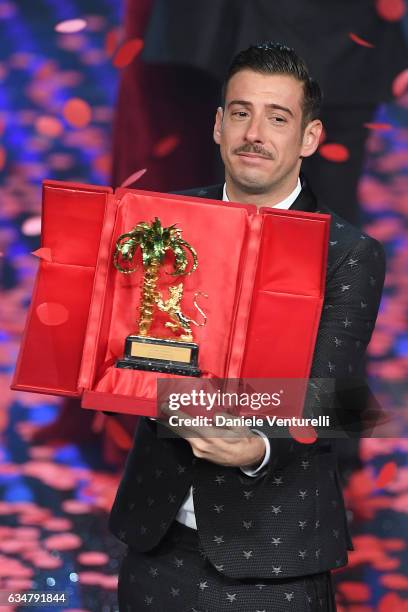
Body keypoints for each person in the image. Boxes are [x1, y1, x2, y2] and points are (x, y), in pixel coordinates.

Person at [110, 43, 385, 611]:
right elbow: (122, 360)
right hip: (154, 541)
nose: (254, 132)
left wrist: (257, 445)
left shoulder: (347, 252)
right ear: (217, 125)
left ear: (309, 138)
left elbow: (335, 397)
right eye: (240, 112)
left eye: (277, 118)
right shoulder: (161, 222)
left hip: (274, 558)